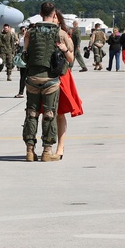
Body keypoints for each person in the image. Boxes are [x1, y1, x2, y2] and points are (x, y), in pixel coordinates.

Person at [21, 2, 71, 162]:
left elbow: (25, 52)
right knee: (50, 114)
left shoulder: (30, 32)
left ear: (40, 13)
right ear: (53, 14)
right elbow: (70, 56)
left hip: (32, 78)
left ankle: (30, 150)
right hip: (50, 79)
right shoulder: (60, 33)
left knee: (32, 113)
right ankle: (47, 151)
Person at [53, 10, 82, 160]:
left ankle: (60, 146)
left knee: (60, 113)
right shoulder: (39, 34)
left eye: (55, 18)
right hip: (44, 76)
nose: (52, 20)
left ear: (59, 21)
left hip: (61, 76)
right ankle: (47, 146)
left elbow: (71, 59)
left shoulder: (64, 35)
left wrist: (64, 48)